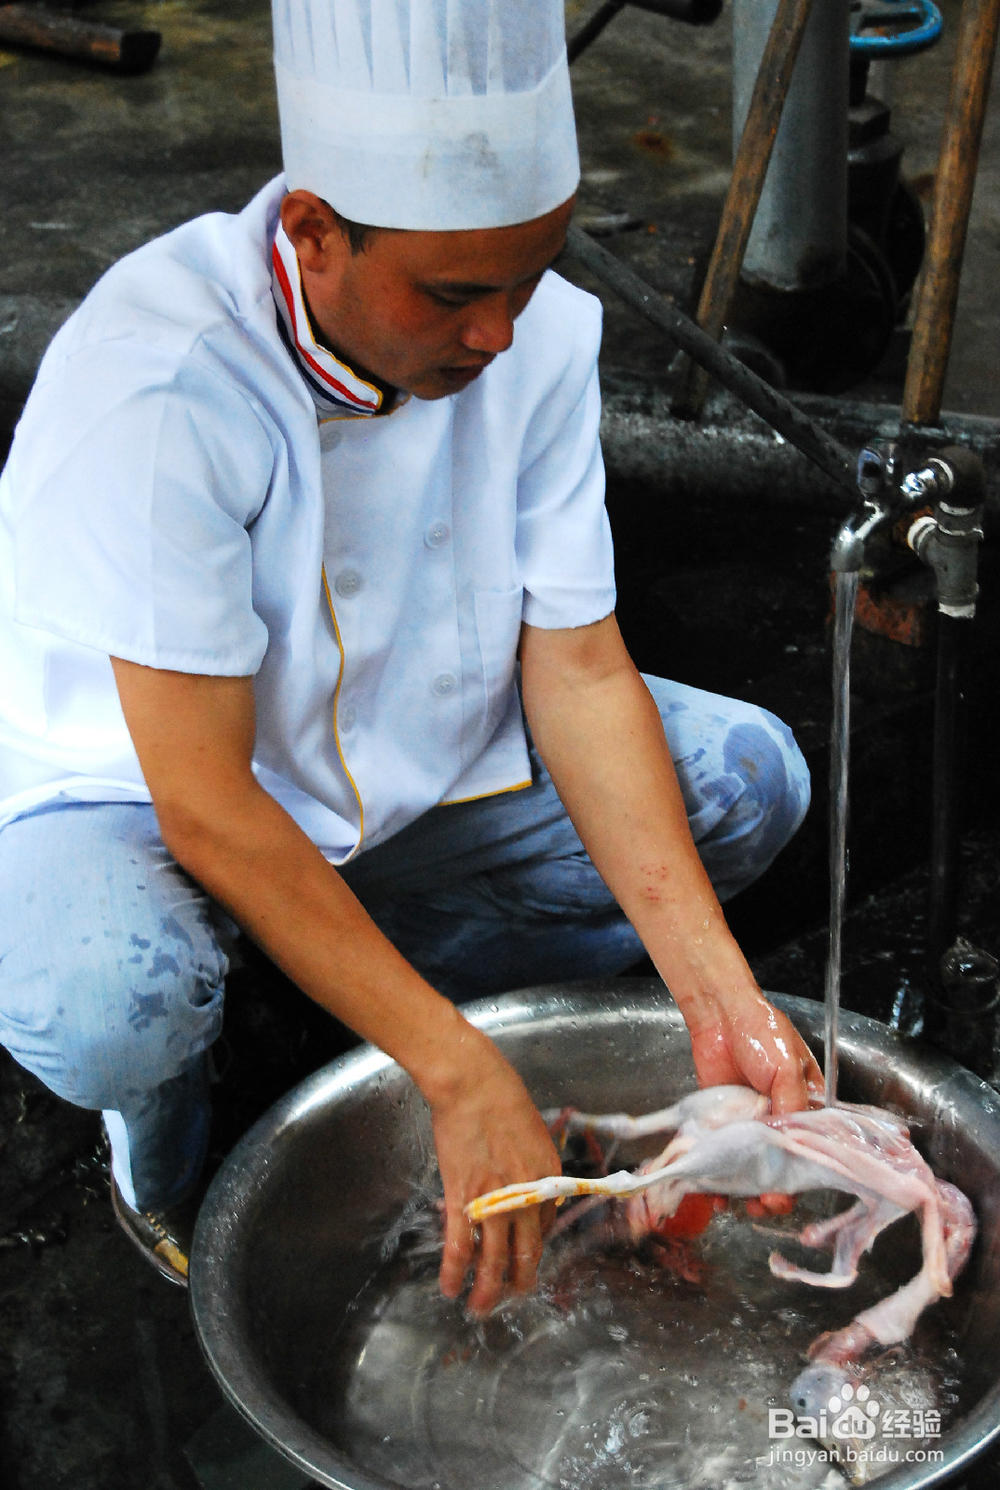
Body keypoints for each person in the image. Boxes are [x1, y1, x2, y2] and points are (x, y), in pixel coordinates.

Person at [0, 0, 821, 1313]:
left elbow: (582, 668)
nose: (499, 333)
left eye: (530, 275)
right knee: (119, 998)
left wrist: (719, 997)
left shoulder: (530, 337)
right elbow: (208, 803)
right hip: (138, 799)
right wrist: (456, 1073)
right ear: (313, 232)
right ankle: (169, 1157)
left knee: (751, 777)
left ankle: (374, 996)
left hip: (413, 754)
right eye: (453, 293)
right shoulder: (163, 387)